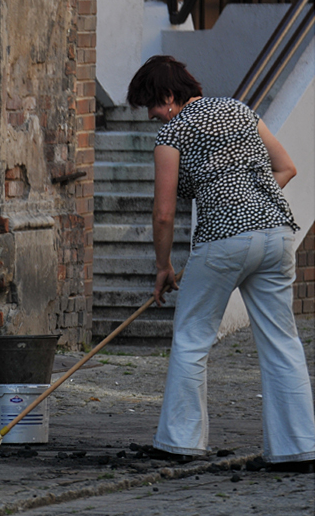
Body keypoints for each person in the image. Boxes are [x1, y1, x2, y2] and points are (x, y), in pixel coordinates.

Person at [126, 54, 314, 471]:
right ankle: (298, 447)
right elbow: (287, 168)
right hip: (277, 233)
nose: (153, 117)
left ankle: (180, 442)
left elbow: (163, 213)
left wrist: (163, 267)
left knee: (192, 337)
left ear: (170, 96)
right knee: (282, 341)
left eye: (153, 106)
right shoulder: (240, 110)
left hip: (223, 240)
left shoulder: (172, 135)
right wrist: (250, 203)